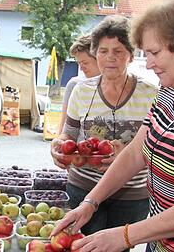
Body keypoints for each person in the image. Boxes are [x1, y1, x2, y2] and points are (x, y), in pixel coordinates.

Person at [51, 0, 174, 252]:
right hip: (161, 241)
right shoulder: (170, 88)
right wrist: (91, 202)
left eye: (154, 53)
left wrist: (126, 236)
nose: (149, 63)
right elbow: (136, 152)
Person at [50, 15, 159, 239]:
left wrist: (129, 154)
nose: (110, 58)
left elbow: (158, 148)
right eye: (103, 51)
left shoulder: (151, 93)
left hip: (131, 195)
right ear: (95, 53)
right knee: (81, 244)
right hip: (84, 187)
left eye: (118, 51)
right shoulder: (82, 90)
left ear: (130, 55)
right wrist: (58, 145)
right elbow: (68, 134)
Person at [58, 35, 100, 134]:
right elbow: (64, 124)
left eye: (85, 63)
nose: (81, 68)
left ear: (99, 58)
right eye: (79, 63)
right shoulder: (74, 84)